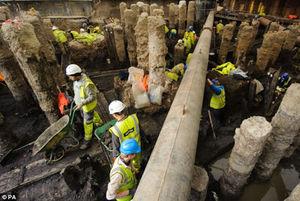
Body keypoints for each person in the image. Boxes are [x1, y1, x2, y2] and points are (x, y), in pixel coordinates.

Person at [66, 64, 102, 149]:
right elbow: (78, 93)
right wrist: (76, 102)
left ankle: (87, 140)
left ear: (75, 75)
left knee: (87, 123)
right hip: (83, 106)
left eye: (70, 76)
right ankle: (99, 124)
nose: (69, 78)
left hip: (87, 106)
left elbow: (92, 97)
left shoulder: (87, 84)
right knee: (92, 114)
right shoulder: (76, 81)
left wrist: (82, 103)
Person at [108, 100, 142, 172]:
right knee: (137, 163)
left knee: (129, 168)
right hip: (137, 147)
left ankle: (134, 174)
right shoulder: (134, 118)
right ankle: (138, 170)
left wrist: (116, 164)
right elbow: (141, 131)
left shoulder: (116, 129)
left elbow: (116, 149)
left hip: (127, 154)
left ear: (114, 115)